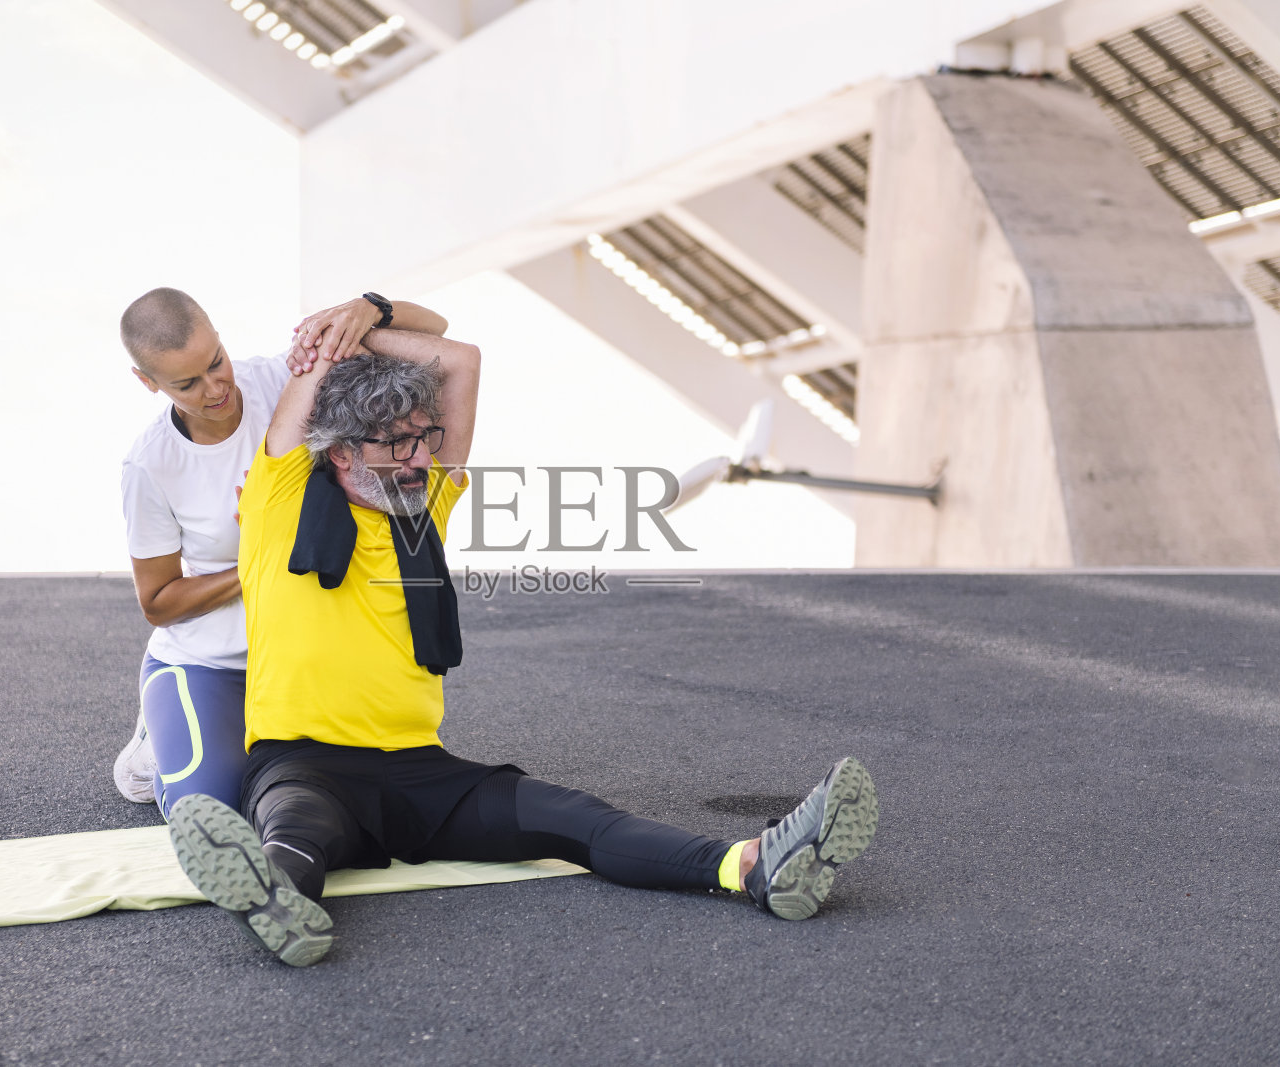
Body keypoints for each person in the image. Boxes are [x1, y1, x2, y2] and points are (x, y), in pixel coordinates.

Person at [167, 323, 879, 965]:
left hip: (422, 773)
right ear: (343, 454)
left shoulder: (424, 508)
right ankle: (275, 898)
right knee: (296, 832)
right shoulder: (279, 501)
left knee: (576, 818)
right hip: (304, 762)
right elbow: (314, 383)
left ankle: (753, 866)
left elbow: (461, 359)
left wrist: (371, 311)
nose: (418, 457)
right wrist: (329, 342)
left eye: (425, 437)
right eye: (396, 443)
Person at [112, 287, 447, 818]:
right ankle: (160, 740)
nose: (215, 387)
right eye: (186, 383)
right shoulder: (150, 466)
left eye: (215, 362)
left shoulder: (284, 380)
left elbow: (436, 336)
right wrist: (262, 555)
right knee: (216, 807)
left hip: (310, 660)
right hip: (216, 663)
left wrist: (371, 311)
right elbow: (158, 601)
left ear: (220, 340)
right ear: (148, 382)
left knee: (354, 797)